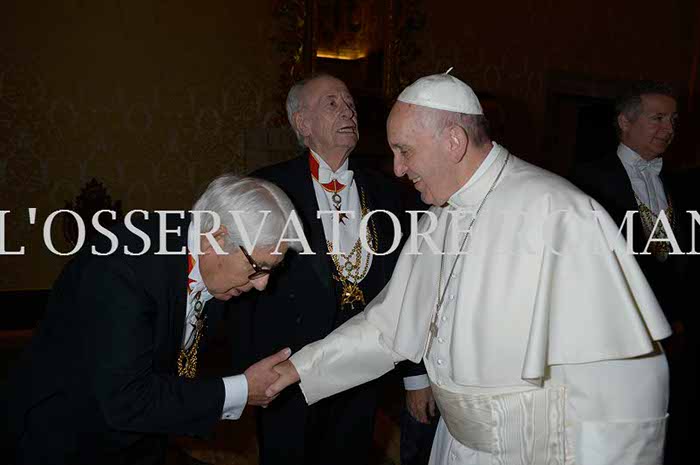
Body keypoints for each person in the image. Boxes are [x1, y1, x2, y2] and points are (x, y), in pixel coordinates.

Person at [267, 72, 672, 465]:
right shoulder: (440, 216)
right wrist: (299, 369)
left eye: (405, 150)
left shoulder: (560, 212)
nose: (398, 169)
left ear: (454, 142)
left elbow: (625, 393)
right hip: (454, 444)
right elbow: (387, 326)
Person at [6, 174, 300, 465]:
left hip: (140, 439)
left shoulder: (216, 268)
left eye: (272, 269)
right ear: (217, 238)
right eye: (258, 267)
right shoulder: (120, 270)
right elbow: (127, 400)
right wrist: (242, 390)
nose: (263, 284)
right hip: (63, 439)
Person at [229, 73, 428, 465]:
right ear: (302, 123)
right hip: (286, 374)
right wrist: (243, 377)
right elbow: (240, 291)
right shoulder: (265, 187)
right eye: (332, 103)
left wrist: (415, 374)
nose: (348, 111)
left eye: (350, 103)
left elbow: (410, 288)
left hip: (362, 373)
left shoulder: (390, 192)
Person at [569, 81, 691, 464]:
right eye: (658, 118)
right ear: (625, 121)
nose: (668, 129)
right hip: (615, 336)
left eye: (673, 120)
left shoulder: (680, 183)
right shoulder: (586, 180)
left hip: (673, 335)